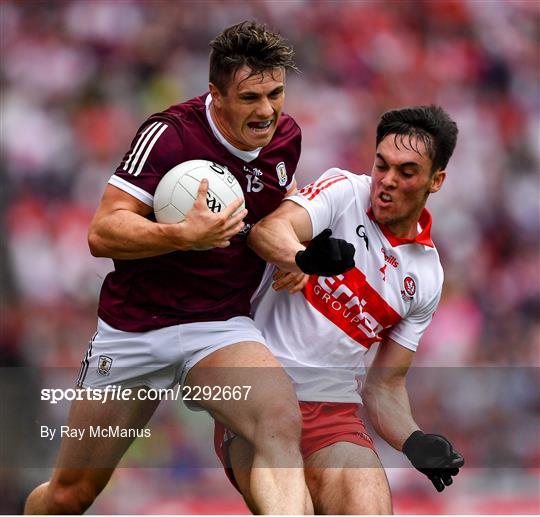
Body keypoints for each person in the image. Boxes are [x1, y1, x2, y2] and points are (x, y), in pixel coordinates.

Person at [24, 21, 314, 515]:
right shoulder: (169, 135)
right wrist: (180, 235)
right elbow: (102, 232)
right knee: (70, 494)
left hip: (219, 328)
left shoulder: (285, 137)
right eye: (250, 98)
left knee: (279, 423)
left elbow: (270, 218)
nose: (266, 111)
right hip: (135, 332)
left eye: (275, 93)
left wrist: (291, 257)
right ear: (215, 95)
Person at [214, 105, 465, 514]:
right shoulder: (343, 191)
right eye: (381, 165)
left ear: (436, 180)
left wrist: (413, 440)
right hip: (258, 397)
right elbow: (268, 232)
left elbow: (384, 386)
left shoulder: (427, 275)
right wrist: (302, 258)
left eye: (406, 172)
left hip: (333, 414)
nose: (386, 181)